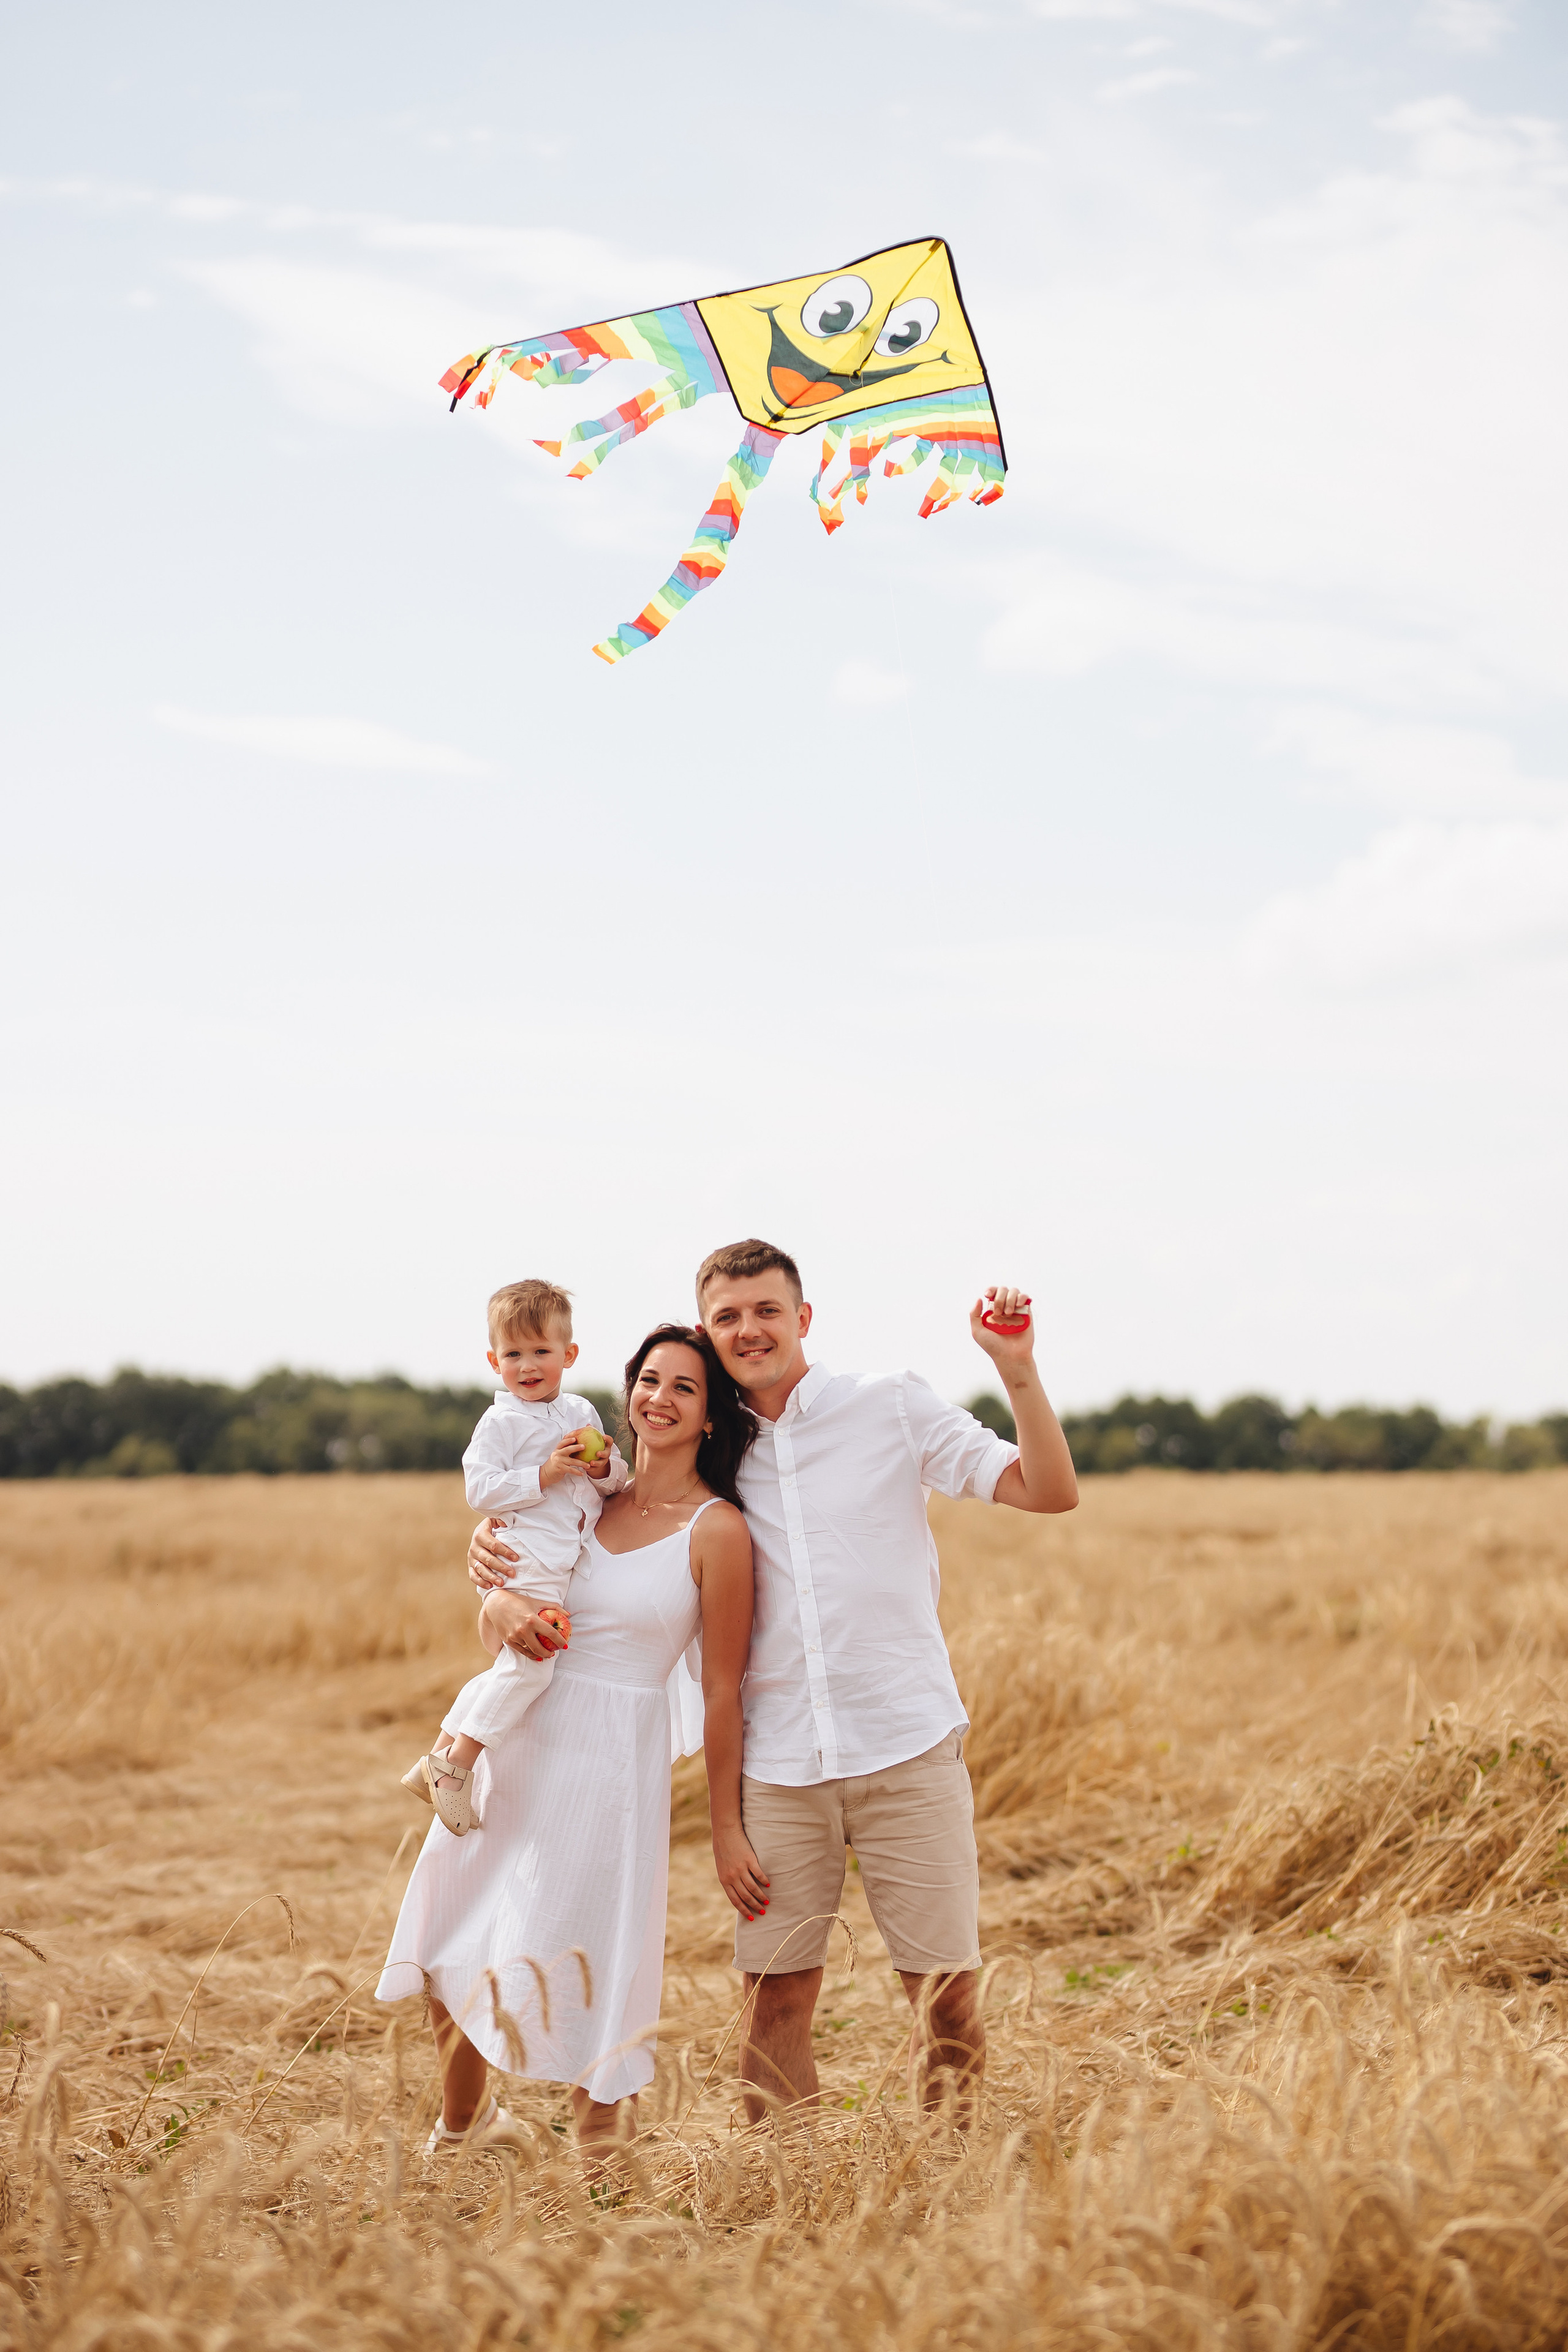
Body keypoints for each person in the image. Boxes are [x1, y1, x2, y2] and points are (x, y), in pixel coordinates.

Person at [469, 1240, 1079, 2130]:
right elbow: (588, 1532)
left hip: (906, 1743)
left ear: (804, 1317)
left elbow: (1047, 1490)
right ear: (710, 1333)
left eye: (765, 1310)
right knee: (773, 2006)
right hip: (780, 1764)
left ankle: (950, 2185)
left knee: (945, 1999)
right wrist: (487, 1558)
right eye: (726, 1317)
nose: (747, 1329)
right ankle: (792, 2199)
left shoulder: (890, 1405)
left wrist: (1016, 1369)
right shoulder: (709, 1449)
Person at [378, 1324, 756, 2160]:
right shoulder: (582, 1498)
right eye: (649, 1380)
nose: (659, 1398)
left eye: (684, 1388)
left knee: (593, 1940)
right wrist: (497, 1603)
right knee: (453, 1918)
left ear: (709, 1417)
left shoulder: (718, 1529)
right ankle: (464, 2125)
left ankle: (601, 2150)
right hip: (521, 1738)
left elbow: (725, 1685)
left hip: (615, 1754)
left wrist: (727, 1826)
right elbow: (506, 1616)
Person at [401, 1278, 628, 1837]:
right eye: (514, 1354)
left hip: (561, 1562)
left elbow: (613, 1484)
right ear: (493, 1360)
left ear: (568, 1355)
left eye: (542, 1352)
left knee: (514, 1666)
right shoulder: (500, 1422)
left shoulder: (581, 1411)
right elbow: (480, 1490)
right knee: (534, 1666)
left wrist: (601, 1469)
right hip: (523, 1559)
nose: (528, 1366)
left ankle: (435, 1753)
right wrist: (543, 1475)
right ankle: (456, 1768)